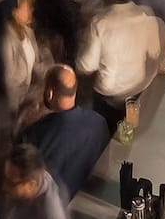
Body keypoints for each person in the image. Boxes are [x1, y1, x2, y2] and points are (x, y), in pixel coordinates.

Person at [75, 0, 165, 131]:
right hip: (143, 92)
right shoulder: (150, 17)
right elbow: (163, 65)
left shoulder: (99, 23)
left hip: (110, 100)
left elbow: (85, 66)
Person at [22, 64, 112, 201]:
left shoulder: (35, 134)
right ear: (74, 91)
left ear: (50, 93)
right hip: (91, 199)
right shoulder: (99, 123)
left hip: (54, 208)